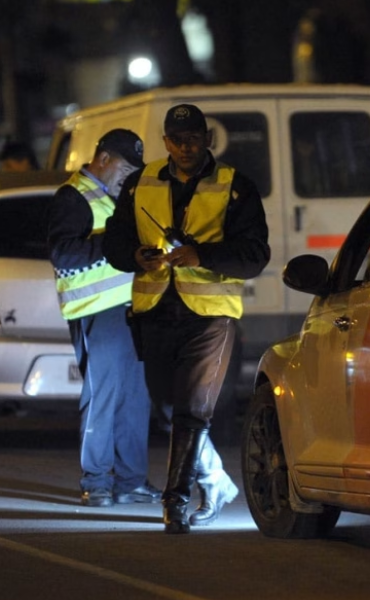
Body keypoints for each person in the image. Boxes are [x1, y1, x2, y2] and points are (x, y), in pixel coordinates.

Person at [103, 104, 270, 534]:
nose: (185, 147)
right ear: (165, 142)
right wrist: (134, 256)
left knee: (193, 410)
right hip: (155, 308)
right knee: (166, 407)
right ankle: (214, 481)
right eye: (176, 140)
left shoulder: (235, 187)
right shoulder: (141, 183)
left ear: (207, 138)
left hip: (210, 315)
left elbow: (254, 257)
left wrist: (203, 255)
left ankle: (174, 502)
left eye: (193, 138)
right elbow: (115, 242)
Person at [47, 128, 161, 508]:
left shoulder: (117, 200)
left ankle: (130, 481)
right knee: (103, 396)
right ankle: (95, 480)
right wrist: (114, 245)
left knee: (135, 398)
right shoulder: (73, 197)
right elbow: (63, 254)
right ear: (104, 159)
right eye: (126, 169)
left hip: (132, 308)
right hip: (97, 312)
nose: (129, 179)